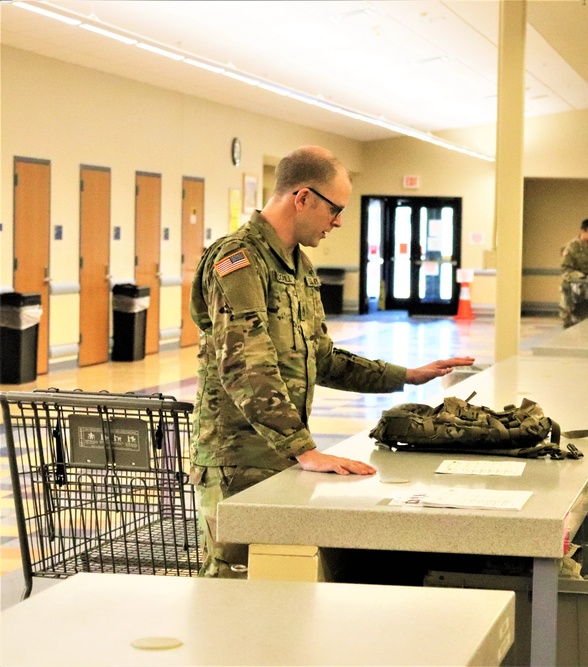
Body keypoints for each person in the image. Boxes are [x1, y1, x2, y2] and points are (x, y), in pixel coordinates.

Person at [189, 146, 474, 578]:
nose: (339, 221)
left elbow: (321, 358)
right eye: (335, 209)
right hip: (237, 461)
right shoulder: (238, 261)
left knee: (276, 584)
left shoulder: (298, 267)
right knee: (232, 585)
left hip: (281, 458)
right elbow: (245, 364)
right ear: (302, 197)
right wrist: (304, 450)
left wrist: (407, 376)